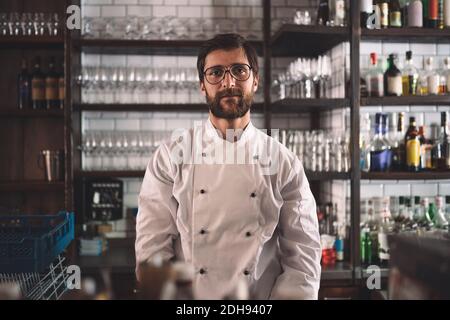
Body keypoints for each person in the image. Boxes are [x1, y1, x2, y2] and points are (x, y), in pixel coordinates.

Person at [135, 33, 321, 299]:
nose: (228, 81)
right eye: (216, 73)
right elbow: (152, 249)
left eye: (239, 70)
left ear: (255, 80)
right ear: (202, 84)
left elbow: (303, 259)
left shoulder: (283, 162)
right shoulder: (170, 156)